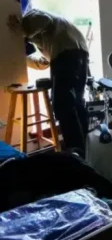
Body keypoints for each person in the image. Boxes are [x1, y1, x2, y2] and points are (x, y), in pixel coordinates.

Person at [7, 9, 89, 156]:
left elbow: (44, 20)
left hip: (66, 53)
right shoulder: (48, 34)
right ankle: (85, 148)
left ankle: (75, 153)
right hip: (80, 52)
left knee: (63, 105)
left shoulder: (30, 17)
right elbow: (41, 60)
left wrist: (23, 31)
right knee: (77, 103)